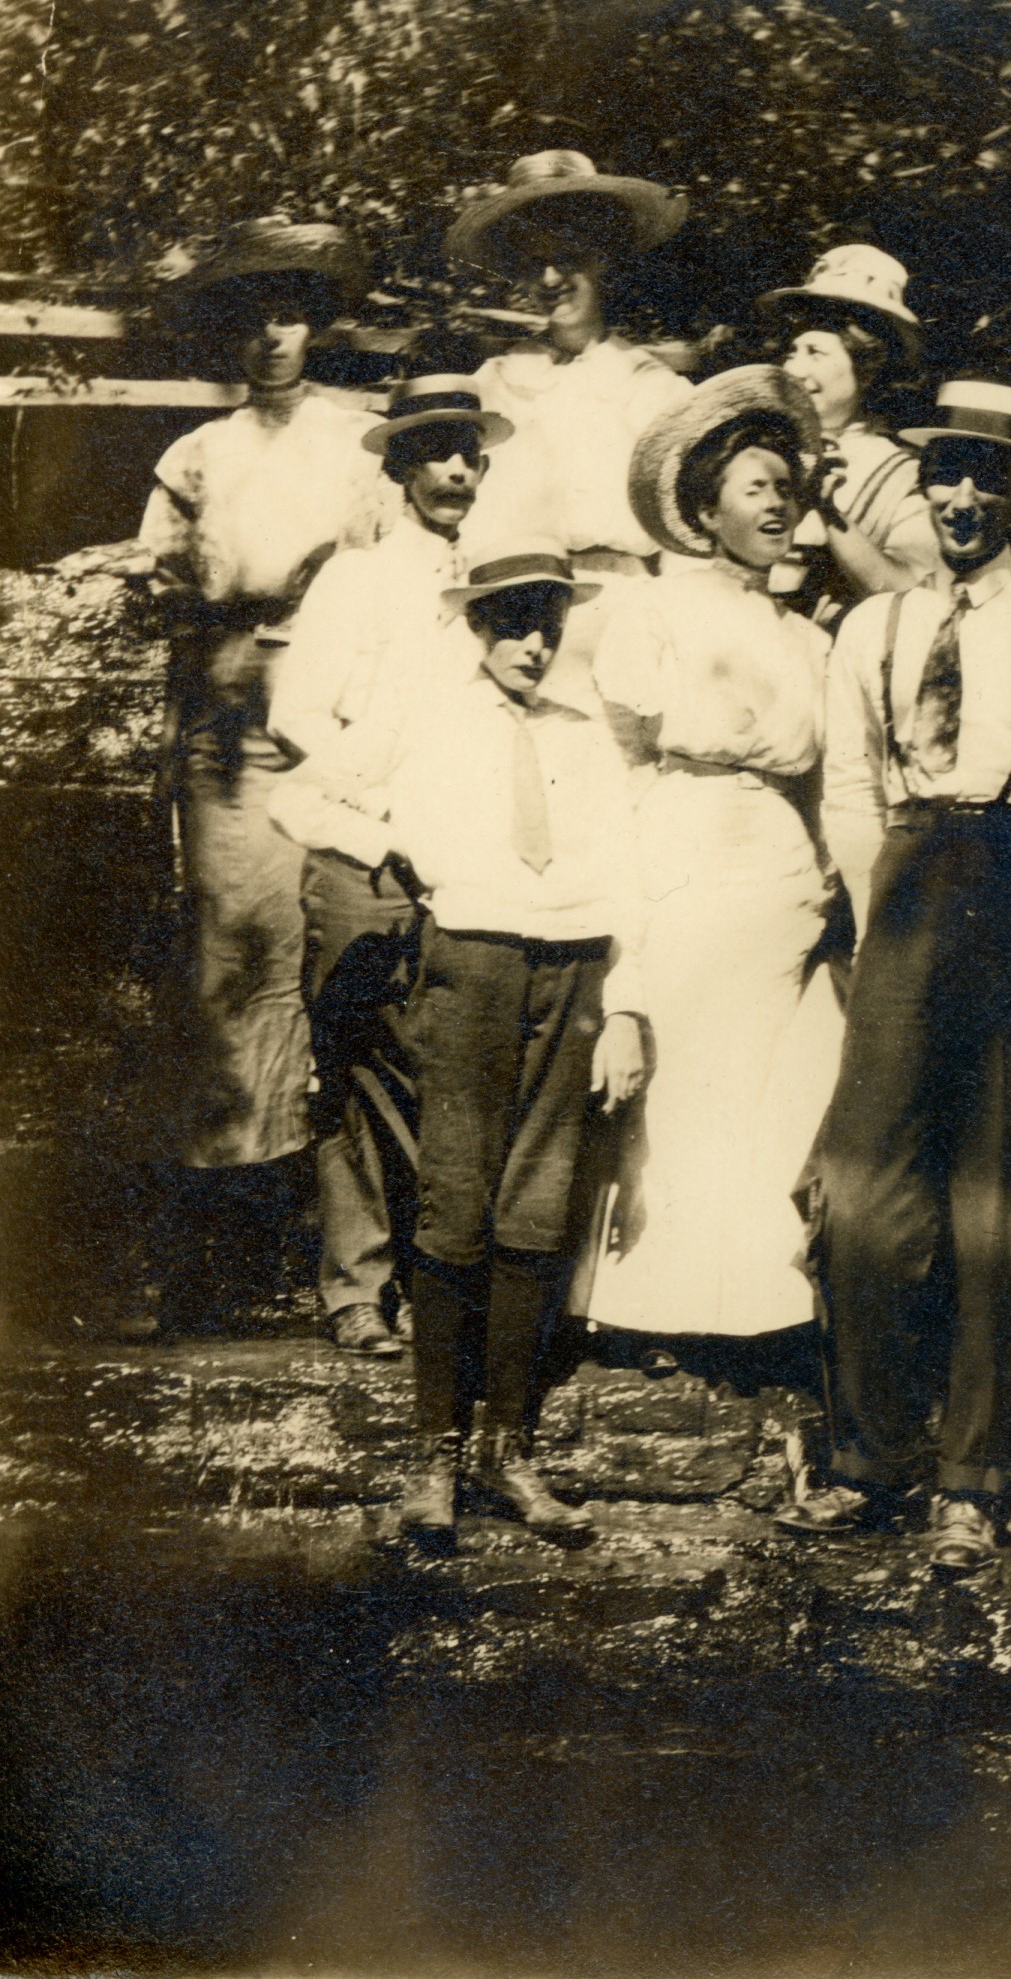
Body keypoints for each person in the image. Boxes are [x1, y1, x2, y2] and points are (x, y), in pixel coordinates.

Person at [784, 382, 1011, 1574]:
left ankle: (971, 1482)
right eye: (944, 472)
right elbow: (850, 787)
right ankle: (867, 1457)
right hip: (904, 888)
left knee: (996, 1196)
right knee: (863, 1194)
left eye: (986, 477)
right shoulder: (873, 627)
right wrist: (876, 916)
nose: (960, 497)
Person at [271, 536, 648, 1550]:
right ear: (476, 623)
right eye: (513, 623)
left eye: (548, 624)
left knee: (539, 1204)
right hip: (469, 961)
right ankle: (433, 1458)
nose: (533, 644)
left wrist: (624, 1007)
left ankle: (507, 1452)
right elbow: (294, 797)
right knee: (456, 1201)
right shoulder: (423, 713)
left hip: (573, 972)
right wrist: (388, 841)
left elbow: (629, 875)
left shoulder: (582, 730)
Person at [131, 217, 393, 1337]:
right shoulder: (199, 455)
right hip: (234, 725)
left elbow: (392, 583)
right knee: (235, 967)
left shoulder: (365, 441)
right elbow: (161, 591)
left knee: (345, 961)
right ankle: (218, 1256)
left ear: (315, 326)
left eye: (289, 316)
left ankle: (350, 1266)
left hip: (338, 715)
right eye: (251, 319)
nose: (272, 338)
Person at [576, 367, 843, 1350]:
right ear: (703, 510)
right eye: (754, 488)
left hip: (780, 871)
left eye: (786, 489)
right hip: (684, 847)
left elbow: (822, 780)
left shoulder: (807, 639)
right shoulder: (652, 612)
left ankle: (751, 1309)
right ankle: (653, 1308)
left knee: (763, 1090)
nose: (777, 505)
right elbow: (621, 759)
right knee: (682, 1082)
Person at [269, 375, 511, 1358]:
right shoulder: (356, 579)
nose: (456, 470)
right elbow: (294, 715)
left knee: (447, 1068)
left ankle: (432, 1277)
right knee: (351, 1063)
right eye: (435, 453)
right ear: (402, 467)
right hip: (362, 856)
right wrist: (374, 809)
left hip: (464, 860)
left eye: (469, 455)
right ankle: (356, 1288)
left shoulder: (491, 582)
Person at [446, 149, 695, 707]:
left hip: (622, 615)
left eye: (569, 258)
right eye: (534, 262)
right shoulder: (495, 384)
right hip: (512, 619)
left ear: (603, 260)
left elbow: (682, 540)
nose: (551, 278)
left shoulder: (654, 390)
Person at [754, 244, 939, 632]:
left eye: (815, 353)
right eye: (792, 352)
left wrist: (829, 512)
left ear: (867, 367)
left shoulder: (899, 474)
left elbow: (910, 592)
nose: (794, 369)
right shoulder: (754, 445)